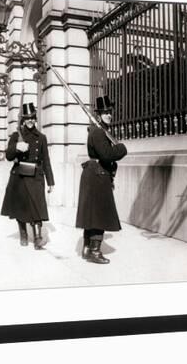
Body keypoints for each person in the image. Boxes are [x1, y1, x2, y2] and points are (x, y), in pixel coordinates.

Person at [75, 96, 127, 264]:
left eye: (110, 112)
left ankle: (87, 249)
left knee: (92, 213)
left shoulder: (99, 131)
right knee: (100, 213)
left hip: (95, 174)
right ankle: (95, 252)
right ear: (98, 115)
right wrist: (121, 149)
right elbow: (106, 155)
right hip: (98, 174)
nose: (108, 115)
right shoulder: (98, 132)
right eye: (105, 113)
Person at [1, 103, 55, 249]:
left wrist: (51, 181)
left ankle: (38, 237)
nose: (30, 120)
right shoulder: (16, 136)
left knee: (37, 206)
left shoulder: (41, 137)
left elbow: (46, 160)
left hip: (36, 175)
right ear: (23, 120)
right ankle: (23, 233)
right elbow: (8, 155)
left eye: (32, 118)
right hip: (20, 176)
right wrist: (17, 147)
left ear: (35, 119)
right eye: (27, 118)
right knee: (21, 208)